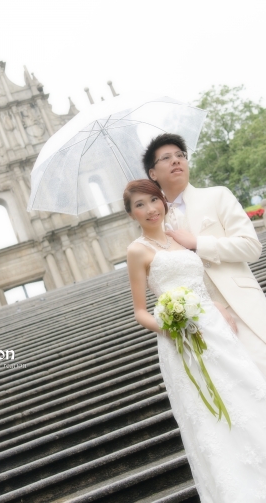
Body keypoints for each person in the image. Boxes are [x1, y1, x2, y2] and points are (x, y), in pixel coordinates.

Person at [125, 179, 266, 503]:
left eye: (153, 200)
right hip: (180, 341)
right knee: (209, 417)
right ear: (132, 214)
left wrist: (217, 307)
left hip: (216, 331)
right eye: (139, 205)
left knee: (248, 396)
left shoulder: (180, 236)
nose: (149, 209)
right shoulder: (137, 250)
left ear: (163, 201)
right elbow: (140, 311)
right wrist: (171, 326)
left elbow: (201, 285)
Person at [142, 133, 266, 378]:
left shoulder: (217, 195)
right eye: (166, 158)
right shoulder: (155, 223)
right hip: (205, 323)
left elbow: (251, 247)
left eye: (180, 155)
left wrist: (198, 243)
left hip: (243, 306)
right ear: (152, 173)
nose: (176, 161)